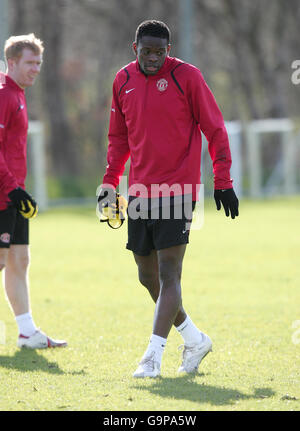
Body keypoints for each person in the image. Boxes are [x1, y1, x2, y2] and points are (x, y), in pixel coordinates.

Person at [98, 20, 239, 377]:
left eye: (160, 52)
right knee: (148, 277)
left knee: (169, 273)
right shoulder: (122, 80)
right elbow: (118, 139)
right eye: (147, 52)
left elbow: (215, 128)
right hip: (139, 192)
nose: (153, 58)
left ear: (168, 50)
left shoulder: (187, 77)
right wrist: (110, 182)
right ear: (136, 49)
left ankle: (152, 357)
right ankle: (194, 338)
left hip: (179, 189)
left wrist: (222, 180)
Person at [0, 34, 67, 349]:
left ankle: (26, 332)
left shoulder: (18, 93)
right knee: (2, 260)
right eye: (30, 62)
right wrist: (11, 189)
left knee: (20, 259)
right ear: (11, 62)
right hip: (3, 193)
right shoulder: (3, 94)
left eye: (39, 63)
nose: (36, 69)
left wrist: (19, 190)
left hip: (14, 191)